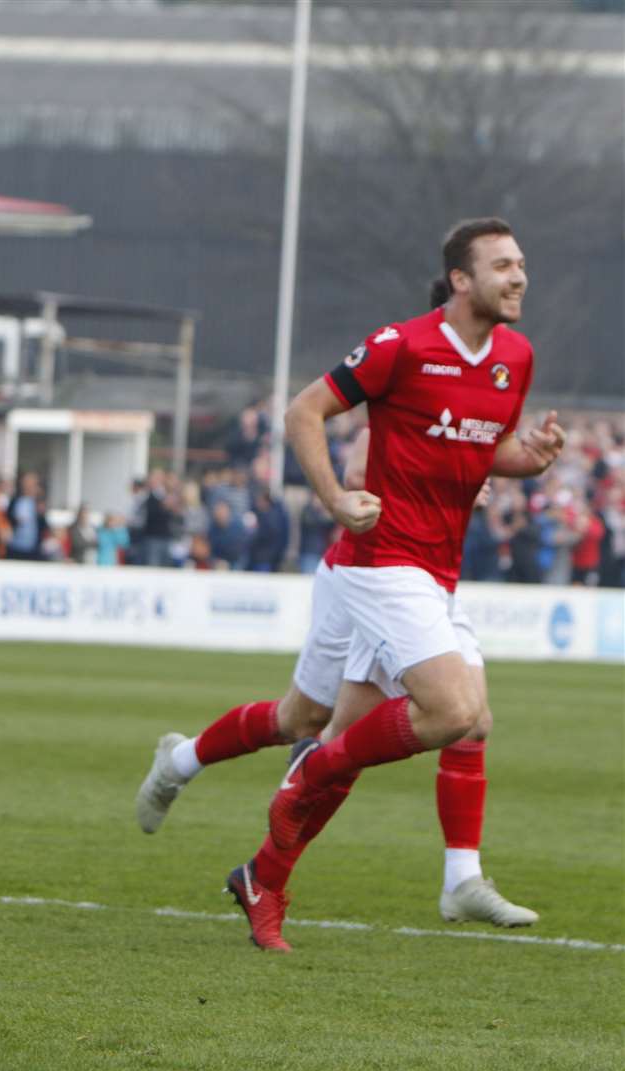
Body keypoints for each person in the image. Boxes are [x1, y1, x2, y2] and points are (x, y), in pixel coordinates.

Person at [223, 218, 563, 951]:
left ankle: (265, 877)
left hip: (437, 572)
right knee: (452, 709)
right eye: (503, 264)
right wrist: (337, 501)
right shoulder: (400, 345)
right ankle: (306, 779)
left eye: (522, 264)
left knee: (459, 724)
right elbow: (302, 411)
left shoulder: (515, 358)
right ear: (462, 280)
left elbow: (483, 449)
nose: (519, 276)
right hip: (381, 563)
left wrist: (526, 457)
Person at [5, 472, 45, 559]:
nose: (29, 485)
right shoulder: (15, 500)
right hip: (15, 546)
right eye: (27, 482)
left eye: (32, 483)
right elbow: (7, 519)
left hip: (33, 548)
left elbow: (43, 524)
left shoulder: (38, 502)